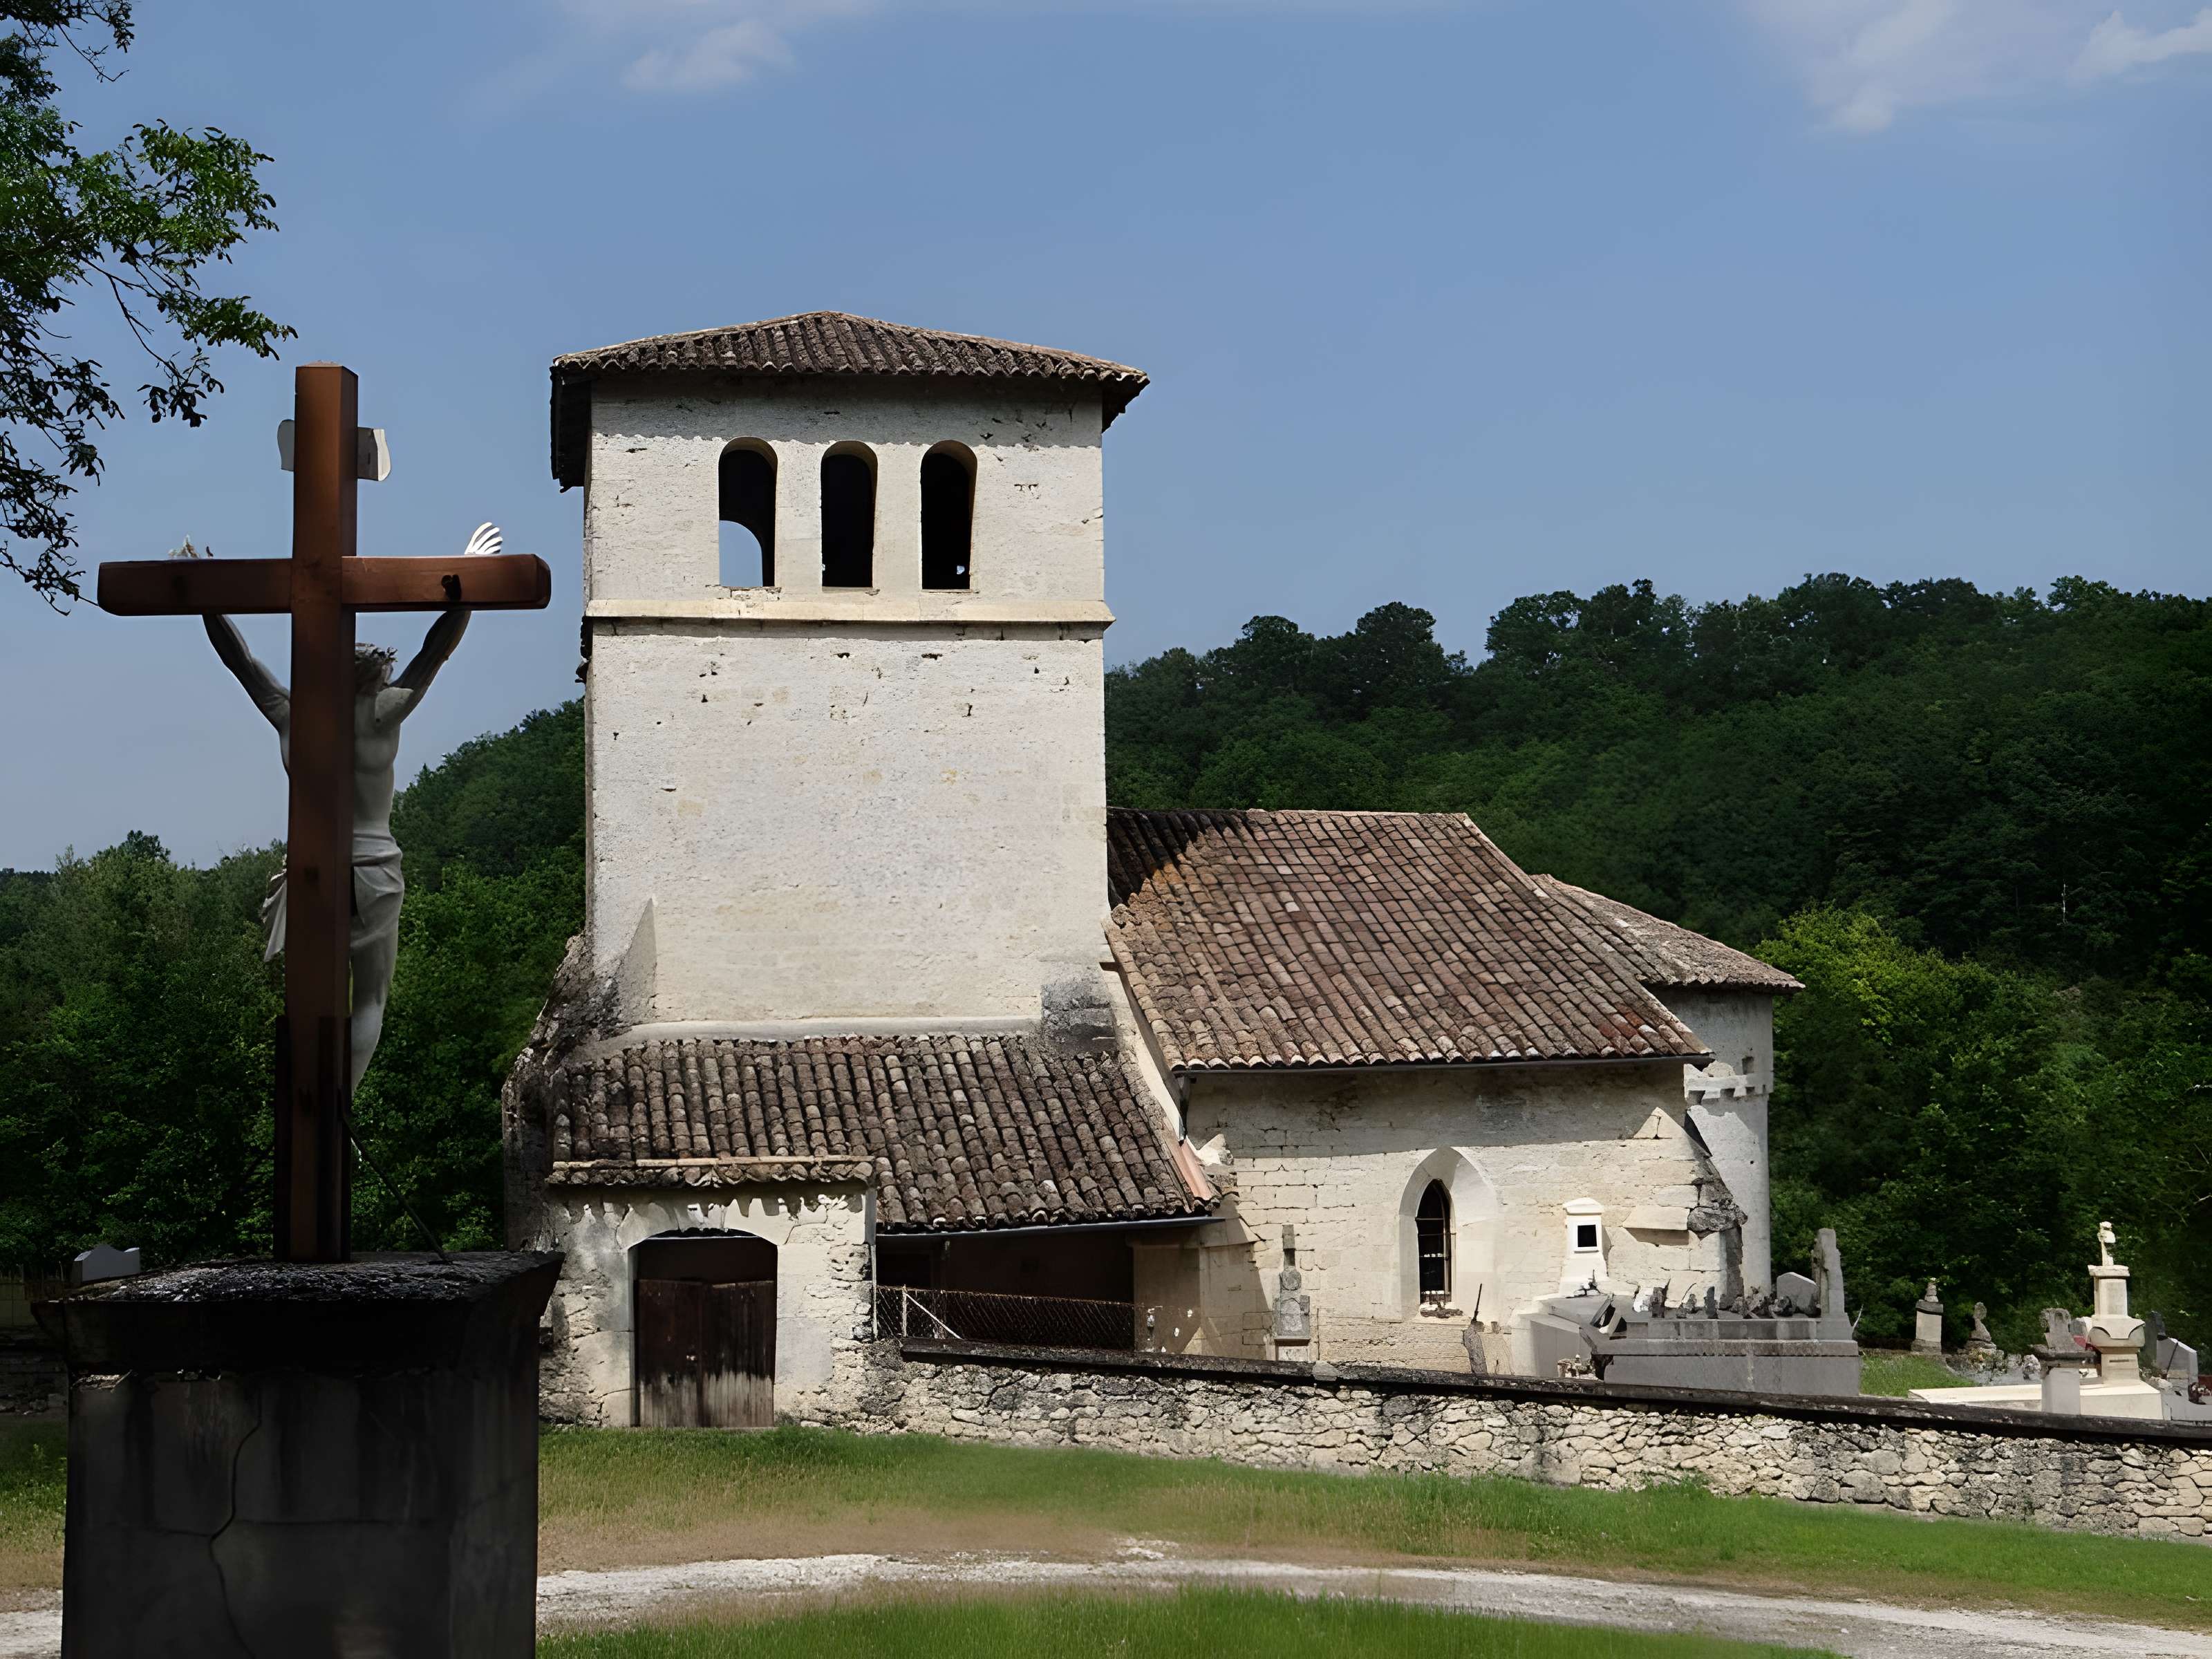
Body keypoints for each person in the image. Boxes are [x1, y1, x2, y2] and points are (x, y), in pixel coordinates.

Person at [203, 522, 498, 1089]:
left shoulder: (294, 716)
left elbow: (238, 661)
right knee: (370, 1001)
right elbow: (436, 650)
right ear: (374, 675)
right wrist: (470, 579)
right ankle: (340, 1104)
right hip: (375, 868)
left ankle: (305, 1102)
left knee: (310, 1000)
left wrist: (210, 604)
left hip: (312, 873)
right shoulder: (384, 712)